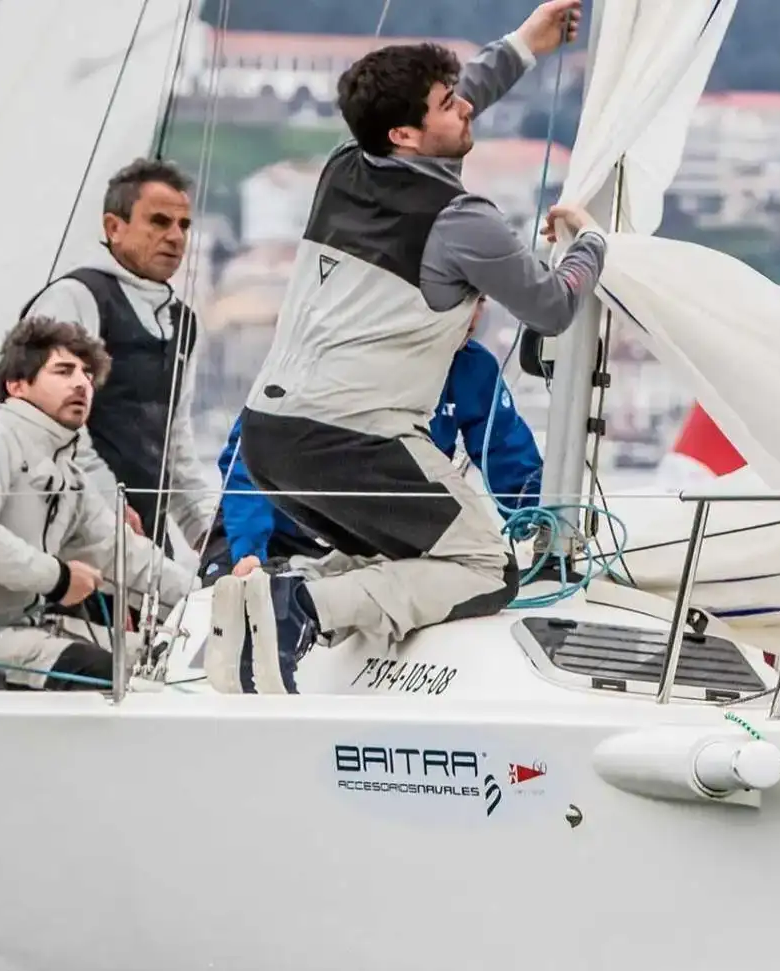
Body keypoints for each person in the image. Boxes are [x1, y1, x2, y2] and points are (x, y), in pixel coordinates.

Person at [208, 0, 603, 695]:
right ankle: (304, 606)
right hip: (355, 436)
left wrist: (525, 44)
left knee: (400, 553)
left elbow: (453, 102)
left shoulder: (344, 166)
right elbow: (552, 305)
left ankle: (268, 610)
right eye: (448, 105)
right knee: (485, 567)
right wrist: (592, 243)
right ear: (405, 133)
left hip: (271, 434)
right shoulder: (463, 221)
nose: (466, 110)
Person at [0, 317, 200, 693]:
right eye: (64, 371)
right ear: (17, 385)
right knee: (109, 674)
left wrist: (205, 593)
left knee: (166, 657)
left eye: (87, 374)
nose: (81, 383)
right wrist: (58, 579)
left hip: (14, 634)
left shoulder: (69, 475)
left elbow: (120, 552)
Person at [203, 301, 543, 577]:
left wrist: (541, 522)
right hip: (271, 529)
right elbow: (251, 454)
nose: (472, 315)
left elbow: (505, 451)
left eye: (480, 301)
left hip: (364, 537)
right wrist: (249, 553)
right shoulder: (347, 354)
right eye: (463, 299)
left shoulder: (472, 369)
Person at [19, 158, 216, 554]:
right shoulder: (75, 297)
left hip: (143, 539)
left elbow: (174, 445)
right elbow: (48, 425)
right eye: (159, 222)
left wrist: (213, 534)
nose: (176, 237)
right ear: (114, 227)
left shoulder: (183, 322)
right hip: (71, 532)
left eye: (184, 225)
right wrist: (109, 505)